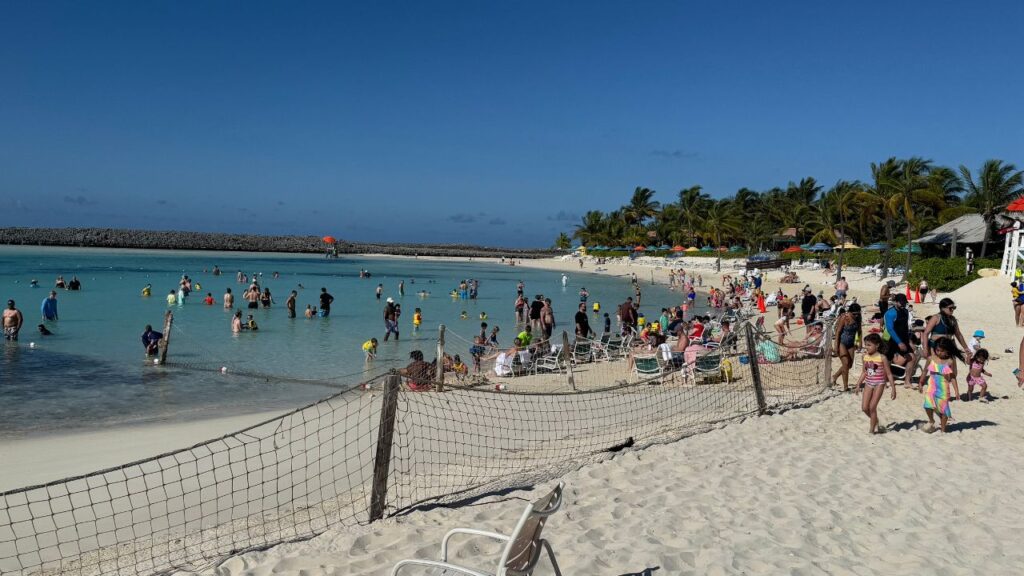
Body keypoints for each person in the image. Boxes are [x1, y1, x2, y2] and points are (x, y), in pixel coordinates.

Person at [918, 337, 962, 434]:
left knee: (944, 411)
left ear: (947, 351)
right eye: (937, 350)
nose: (939, 352)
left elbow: (953, 377)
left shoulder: (951, 361)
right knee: (927, 406)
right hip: (932, 386)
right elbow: (925, 371)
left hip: (943, 388)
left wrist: (957, 391)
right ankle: (931, 420)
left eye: (942, 351)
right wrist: (921, 382)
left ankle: (943, 430)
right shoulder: (931, 358)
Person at [857, 333, 896, 434]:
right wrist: (858, 384)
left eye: (869, 345)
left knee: (872, 407)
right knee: (865, 408)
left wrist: (893, 388)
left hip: (879, 383)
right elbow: (864, 372)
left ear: (877, 345)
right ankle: (875, 420)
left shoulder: (882, 358)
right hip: (868, 383)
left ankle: (871, 430)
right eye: (866, 344)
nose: (866, 347)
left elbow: (889, 374)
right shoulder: (864, 357)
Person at [921, 298, 971, 365]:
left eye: (954, 308)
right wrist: (925, 349)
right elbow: (926, 333)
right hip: (937, 348)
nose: (953, 310)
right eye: (950, 308)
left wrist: (966, 348)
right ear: (942, 308)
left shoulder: (953, 319)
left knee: (953, 373)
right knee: (939, 371)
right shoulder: (936, 318)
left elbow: (958, 334)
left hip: (949, 347)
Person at [831, 303, 862, 392]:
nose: (856, 315)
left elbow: (859, 330)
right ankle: (845, 387)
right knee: (845, 363)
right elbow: (838, 332)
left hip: (851, 343)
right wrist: (836, 346)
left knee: (849, 365)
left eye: (857, 314)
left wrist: (860, 342)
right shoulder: (844, 317)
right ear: (850, 312)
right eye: (854, 314)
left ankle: (835, 376)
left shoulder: (858, 318)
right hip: (842, 342)